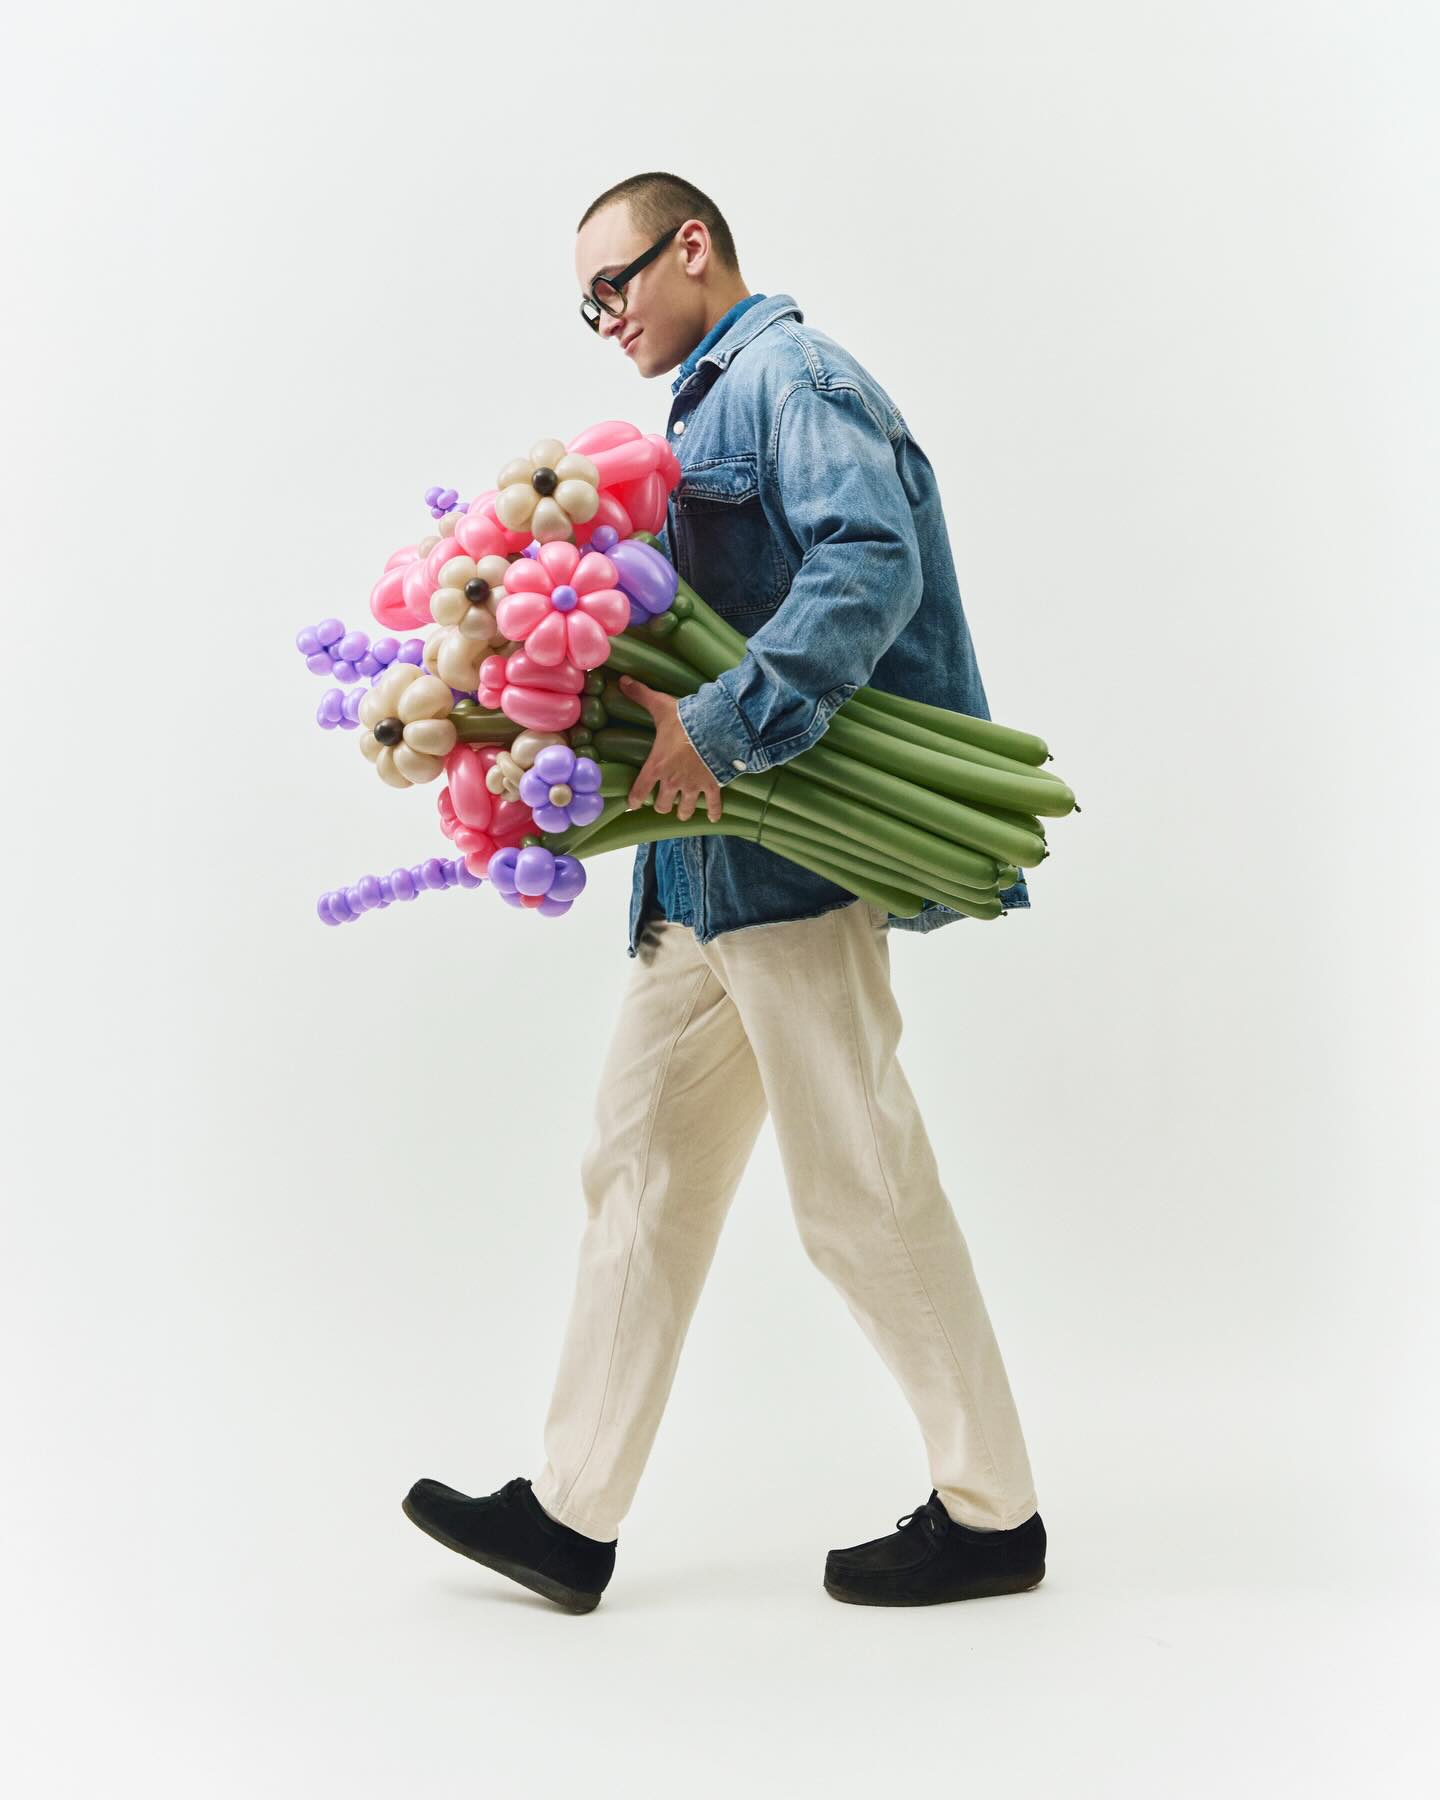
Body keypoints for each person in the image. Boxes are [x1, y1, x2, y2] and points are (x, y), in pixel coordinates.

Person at [403, 172, 1046, 1614]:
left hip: (794, 867)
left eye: (616, 283)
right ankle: (571, 1515)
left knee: (858, 1191)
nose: (605, 315)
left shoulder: (790, 378)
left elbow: (866, 563)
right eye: (588, 300)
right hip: (701, 874)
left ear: (694, 247)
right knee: (637, 1169)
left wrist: (726, 721)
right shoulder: (696, 416)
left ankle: (994, 1511)